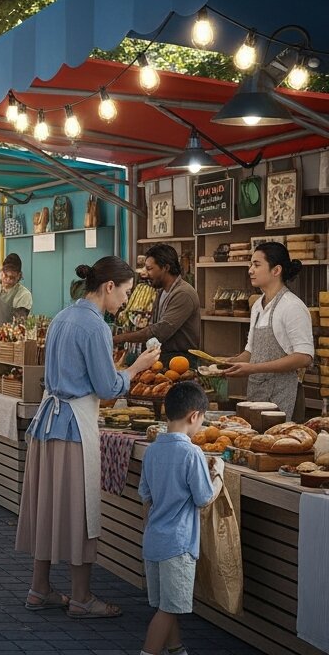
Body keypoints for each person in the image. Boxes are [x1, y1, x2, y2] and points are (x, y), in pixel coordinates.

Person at [17, 257, 161, 619]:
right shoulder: (95, 326)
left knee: (47, 506)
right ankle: (81, 597)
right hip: (74, 427)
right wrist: (136, 368)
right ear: (109, 287)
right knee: (80, 512)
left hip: (46, 423)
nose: (126, 301)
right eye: (126, 292)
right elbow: (107, 386)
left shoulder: (64, 316)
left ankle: (40, 588)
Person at [138, 382, 225, 655]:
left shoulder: (151, 450)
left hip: (153, 542)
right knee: (167, 609)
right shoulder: (192, 453)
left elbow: (146, 497)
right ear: (194, 416)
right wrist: (219, 475)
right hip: (178, 545)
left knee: (167, 604)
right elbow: (204, 498)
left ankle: (176, 649)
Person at [222, 241, 314, 418]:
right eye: (250, 265)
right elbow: (251, 351)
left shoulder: (292, 307)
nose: (250, 270)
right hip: (257, 394)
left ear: (276, 270)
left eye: (256, 265)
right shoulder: (257, 305)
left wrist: (253, 368)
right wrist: (229, 364)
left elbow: (304, 357)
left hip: (283, 395)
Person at [114, 244, 202, 367]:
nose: (145, 273)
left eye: (150, 268)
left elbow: (159, 331)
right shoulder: (161, 292)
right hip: (164, 361)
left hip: (182, 363)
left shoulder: (183, 294)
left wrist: (120, 338)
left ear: (165, 267)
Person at [0, 254, 33, 326]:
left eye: (12, 277)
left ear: (19, 276)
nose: (8, 280)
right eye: (5, 276)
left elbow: (18, 321)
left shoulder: (24, 295)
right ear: (1, 272)